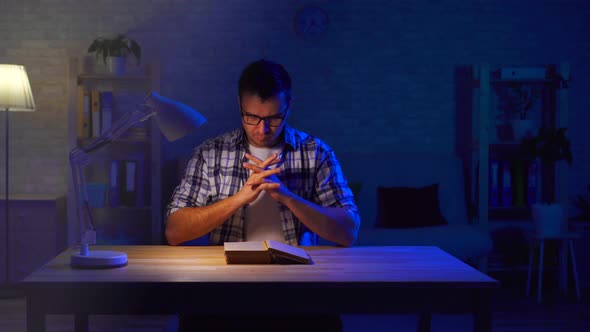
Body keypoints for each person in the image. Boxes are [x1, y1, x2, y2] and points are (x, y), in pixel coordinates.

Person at [165, 59, 360, 332]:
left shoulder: (317, 152)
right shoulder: (211, 153)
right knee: (197, 319)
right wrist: (241, 197)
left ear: (289, 105)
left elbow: (348, 231)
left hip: (298, 286)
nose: (262, 129)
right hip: (227, 285)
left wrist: (288, 197)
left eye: (274, 118)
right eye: (252, 117)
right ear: (239, 105)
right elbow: (174, 231)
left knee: (324, 320)